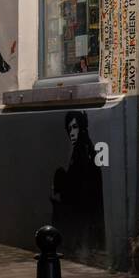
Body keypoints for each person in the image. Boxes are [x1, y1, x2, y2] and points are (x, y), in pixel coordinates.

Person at [50, 110, 105, 260]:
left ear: (82, 127)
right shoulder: (82, 149)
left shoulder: (84, 150)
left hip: (84, 211)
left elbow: (80, 184)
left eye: (75, 127)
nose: (72, 133)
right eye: (69, 129)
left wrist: (60, 180)